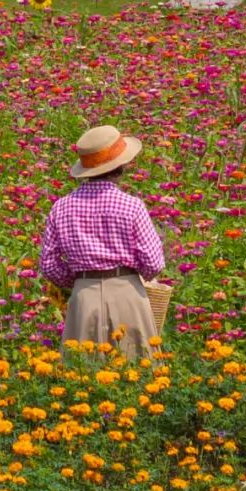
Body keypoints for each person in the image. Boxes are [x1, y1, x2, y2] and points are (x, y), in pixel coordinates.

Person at [39, 124, 166, 361]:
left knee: (82, 373)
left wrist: (77, 281)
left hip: (83, 297)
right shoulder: (132, 206)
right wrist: (138, 276)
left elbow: (48, 264)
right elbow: (153, 262)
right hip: (127, 293)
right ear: (121, 166)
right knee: (136, 370)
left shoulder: (62, 207)